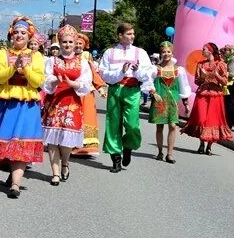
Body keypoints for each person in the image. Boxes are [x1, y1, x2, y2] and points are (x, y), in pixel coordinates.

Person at [0, 17, 45, 199]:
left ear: (28, 37)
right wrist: (14, 67)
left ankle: (15, 184)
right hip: (5, 104)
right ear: (11, 35)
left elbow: (38, 81)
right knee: (2, 145)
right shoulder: (2, 54)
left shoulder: (36, 56)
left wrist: (26, 68)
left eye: (23, 33)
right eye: (16, 33)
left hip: (27, 105)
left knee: (21, 144)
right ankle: (11, 173)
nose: (19, 36)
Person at [98, 23, 155, 173]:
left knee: (132, 124)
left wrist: (137, 71)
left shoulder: (140, 52)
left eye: (133, 34)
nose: (132, 36)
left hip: (133, 90)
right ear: (120, 35)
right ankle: (115, 158)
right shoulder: (109, 53)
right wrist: (121, 72)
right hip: (116, 88)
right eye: (129, 34)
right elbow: (103, 74)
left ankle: (128, 146)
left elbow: (148, 74)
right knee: (113, 124)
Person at [41, 25, 92, 186]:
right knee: (52, 141)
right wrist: (55, 81)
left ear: (75, 42)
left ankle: (65, 163)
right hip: (54, 102)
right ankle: (55, 173)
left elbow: (86, 83)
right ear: (60, 43)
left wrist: (73, 84)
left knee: (66, 141)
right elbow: (45, 81)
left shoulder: (82, 62)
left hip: (72, 103)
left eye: (70, 42)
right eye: (64, 42)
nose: (68, 45)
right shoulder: (52, 61)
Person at [182, 42, 234, 154]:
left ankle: (209, 146)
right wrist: (202, 77)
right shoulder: (200, 64)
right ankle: (201, 144)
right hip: (203, 93)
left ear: (210, 50)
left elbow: (225, 81)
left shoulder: (220, 64)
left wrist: (217, 75)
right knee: (201, 119)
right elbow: (196, 81)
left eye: (204, 49)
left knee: (212, 121)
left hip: (215, 95)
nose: (202, 51)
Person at [148, 41, 191, 164]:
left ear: (172, 53)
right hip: (159, 99)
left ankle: (170, 154)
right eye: (163, 52)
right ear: (161, 53)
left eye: (168, 52)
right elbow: (148, 83)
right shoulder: (155, 69)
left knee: (173, 125)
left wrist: (186, 104)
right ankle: (160, 152)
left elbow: (184, 86)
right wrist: (153, 93)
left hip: (173, 100)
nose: (166, 54)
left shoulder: (179, 70)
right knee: (160, 126)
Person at [74, 33, 106, 157]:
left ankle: (86, 147)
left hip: (87, 94)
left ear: (84, 46)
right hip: (72, 93)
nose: (77, 45)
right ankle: (70, 145)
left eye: (80, 43)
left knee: (88, 118)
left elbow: (94, 75)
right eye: (76, 43)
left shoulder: (86, 60)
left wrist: (101, 89)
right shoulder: (66, 58)